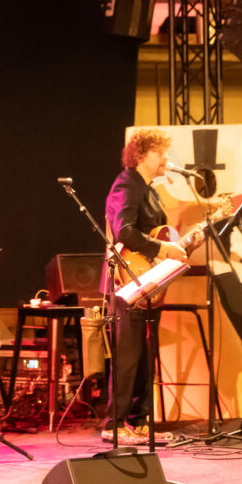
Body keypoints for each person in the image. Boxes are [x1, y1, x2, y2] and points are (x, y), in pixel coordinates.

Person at [103, 128, 188, 444]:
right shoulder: (126, 184)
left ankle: (138, 423)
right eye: (161, 152)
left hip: (148, 282)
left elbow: (154, 234)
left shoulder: (149, 190)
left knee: (143, 358)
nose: (167, 157)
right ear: (141, 155)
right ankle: (113, 425)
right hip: (128, 280)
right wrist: (163, 248)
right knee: (128, 358)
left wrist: (175, 246)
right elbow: (124, 231)